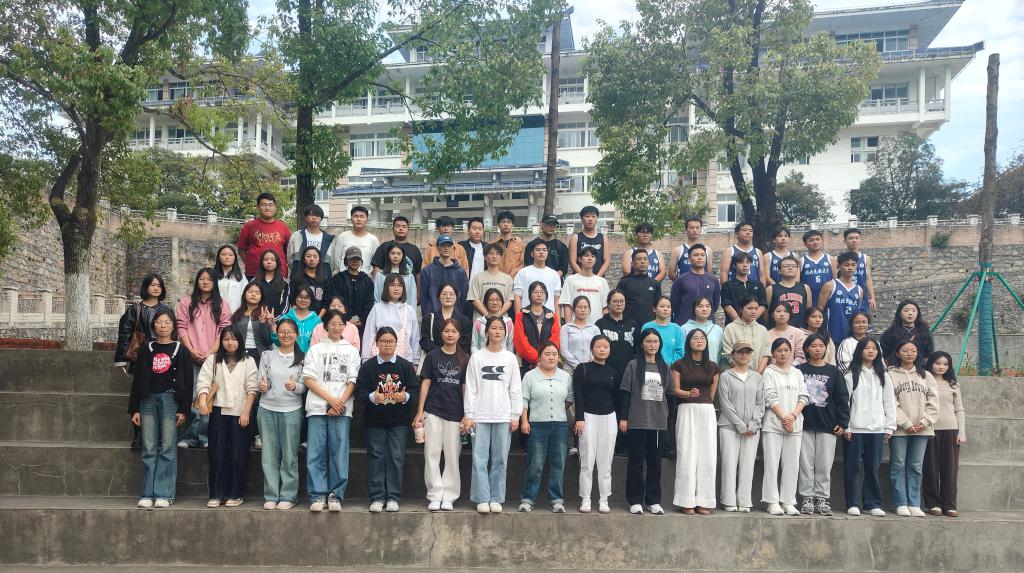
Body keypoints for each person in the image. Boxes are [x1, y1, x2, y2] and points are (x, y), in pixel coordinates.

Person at [129, 308, 192, 509]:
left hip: (170, 400)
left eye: (167, 322)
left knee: (167, 446)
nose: (163, 325)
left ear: (173, 326)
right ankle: (148, 493)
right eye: (159, 322)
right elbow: (137, 380)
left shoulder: (181, 350)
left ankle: (165, 493)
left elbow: (188, 381)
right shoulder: (146, 349)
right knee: (148, 447)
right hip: (147, 400)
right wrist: (134, 408)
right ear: (153, 325)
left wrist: (184, 409)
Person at [301, 309, 361, 512]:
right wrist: (331, 400)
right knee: (315, 452)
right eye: (332, 323)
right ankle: (317, 494)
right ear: (325, 326)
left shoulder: (351, 351)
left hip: (342, 408)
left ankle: (335, 494)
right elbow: (308, 379)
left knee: (339, 452)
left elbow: (353, 381)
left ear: (345, 326)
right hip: (317, 408)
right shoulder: (315, 350)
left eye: (340, 324)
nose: (336, 327)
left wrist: (339, 403)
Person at [356, 326, 419, 512]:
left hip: (399, 421)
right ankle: (377, 497)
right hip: (374, 421)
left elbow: (415, 391)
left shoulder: (405, 366)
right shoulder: (368, 367)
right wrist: (372, 397)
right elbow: (359, 393)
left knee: (396, 457)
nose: (387, 345)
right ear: (376, 343)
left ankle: (392, 497)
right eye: (383, 341)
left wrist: (405, 397)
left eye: (391, 341)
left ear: (397, 343)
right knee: (376, 457)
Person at [464, 316, 523, 514]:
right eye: (494, 328)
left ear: (505, 333)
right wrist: (469, 414)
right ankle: (482, 497)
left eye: (501, 329)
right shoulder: (477, 357)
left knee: (500, 459)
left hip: (503, 415)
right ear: (486, 331)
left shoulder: (510, 358)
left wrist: (515, 415)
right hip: (480, 415)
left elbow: (515, 389)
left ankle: (496, 498)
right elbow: (470, 387)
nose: (497, 331)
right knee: (479, 458)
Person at [195, 325, 259, 507]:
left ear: (240, 341)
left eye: (234, 339)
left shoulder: (248, 361)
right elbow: (203, 382)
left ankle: (236, 494)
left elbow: (252, 388)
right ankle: (216, 494)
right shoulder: (213, 360)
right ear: (221, 341)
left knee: (238, 454)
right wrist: (202, 401)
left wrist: (246, 412)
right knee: (217, 453)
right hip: (218, 411)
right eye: (226, 339)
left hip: (240, 412)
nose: (230, 343)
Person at [413, 319, 469, 511]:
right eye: (446, 331)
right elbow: (426, 383)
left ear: (459, 334)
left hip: (455, 412)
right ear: (441, 333)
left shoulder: (465, 358)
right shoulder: (432, 356)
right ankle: (435, 494)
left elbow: (465, 388)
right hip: (433, 410)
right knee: (432, 452)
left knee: (452, 455)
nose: (450, 334)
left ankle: (450, 496)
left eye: (454, 331)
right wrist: (420, 412)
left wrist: (466, 414)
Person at [176, 268, 233, 449]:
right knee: (194, 395)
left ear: (215, 283)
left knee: (210, 396)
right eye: (202, 278)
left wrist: (210, 353)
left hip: (213, 357)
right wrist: (191, 350)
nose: (205, 282)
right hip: (190, 356)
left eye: (209, 279)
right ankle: (190, 437)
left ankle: (206, 437)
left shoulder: (222, 305)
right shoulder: (186, 302)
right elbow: (181, 327)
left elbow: (224, 330)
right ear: (197, 281)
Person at [618, 328, 672, 515]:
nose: (652, 345)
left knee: (655, 463)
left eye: (655, 342)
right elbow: (625, 393)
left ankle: (653, 500)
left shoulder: (664, 366)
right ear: (641, 344)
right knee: (636, 463)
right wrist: (624, 418)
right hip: (637, 422)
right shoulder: (633, 365)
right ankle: (635, 500)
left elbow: (670, 394)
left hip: (658, 423)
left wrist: (666, 417)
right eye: (648, 341)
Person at [796, 333, 849, 516]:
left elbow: (842, 399)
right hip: (804, 424)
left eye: (821, 346)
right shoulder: (799, 370)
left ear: (826, 348)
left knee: (824, 465)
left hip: (828, 425)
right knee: (805, 464)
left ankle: (822, 498)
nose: (818, 349)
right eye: (813, 346)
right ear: (806, 349)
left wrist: (843, 422)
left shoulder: (834, 372)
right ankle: (807, 498)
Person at [843, 337, 896, 517]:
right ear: (860, 351)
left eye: (874, 348)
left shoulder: (883, 375)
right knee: (852, 468)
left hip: (877, 428)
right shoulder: (851, 374)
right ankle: (852, 503)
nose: (871, 351)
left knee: (873, 468)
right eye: (867, 348)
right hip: (855, 429)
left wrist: (889, 426)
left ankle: (872, 503)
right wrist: (846, 426)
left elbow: (889, 402)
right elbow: (845, 403)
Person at [256, 318, 306, 510]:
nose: (286, 335)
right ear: (277, 334)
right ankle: (271, 495)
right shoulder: (267, 356)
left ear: (296, 335)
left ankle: (288, 495)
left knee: (289, 455)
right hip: (267, 408)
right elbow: (261, 381)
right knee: (268, 454)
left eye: (290, 332)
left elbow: (304, 386)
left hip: (291, 410)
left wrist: (295, 387)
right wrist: (262, 386)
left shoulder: (302, 358)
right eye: (282, 331)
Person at [518, 342, 574, 513]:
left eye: (554, 354)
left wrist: (557, 410)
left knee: (558, 463)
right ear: (540, 357)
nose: (551, 357)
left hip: (560, 425)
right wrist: (524, 421)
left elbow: (569, 398)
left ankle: (556, 500)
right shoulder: (530, 376)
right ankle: (528, 499)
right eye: (547, 354)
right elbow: (524, 400)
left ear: (559, 357)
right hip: (536, 425)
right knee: (535, 463)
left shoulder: (565, 377)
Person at [670, 329, 721, 514]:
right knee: (687, 454)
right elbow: (674, 390)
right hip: (686, 410)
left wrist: (702, 401)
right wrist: (688, 394)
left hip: (707, 411)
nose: (699, 341)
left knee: (708, 456)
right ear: (688, 342)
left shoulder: (713, 367)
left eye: (702, 338)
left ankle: (704, 500)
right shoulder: (679, 364)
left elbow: (712, 394)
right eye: (695, 338)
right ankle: (686, 501)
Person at [888, 339, 939, 518]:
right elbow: (890, 402)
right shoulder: (890, 374)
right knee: (898, 465)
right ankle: (900, 503)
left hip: (922, 429)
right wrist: (905, 423)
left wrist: (925, 422)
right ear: (897, 353)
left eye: (913, 351)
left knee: (916, 466)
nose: (910, 354)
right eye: (905, 350)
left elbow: (934, 402)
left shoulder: (926, 375)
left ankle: (914, 503)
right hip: (900, 429)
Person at [760, 338, 809, 516]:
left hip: (795, 424)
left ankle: (788, 501)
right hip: (773, 424)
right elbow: (769, 396)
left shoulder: (797, 373)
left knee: (792, 465)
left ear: (791, 352)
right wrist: (784, 417)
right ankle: (772, 501)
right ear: (773, 353)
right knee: (772, 464)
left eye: (786, 350)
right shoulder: (769, 372)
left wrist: (793, 416)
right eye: (779, 350)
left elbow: (804, 396)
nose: (783, 353)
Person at [716, 342, 764, 513]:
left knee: (747, 465)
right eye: (740, 352)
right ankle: (728, 500)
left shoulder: (757, 377)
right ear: (733, 355)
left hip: (752, 429)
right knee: (729, 464)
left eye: (747, 352)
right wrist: (740, 424)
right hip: (729, 426)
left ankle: (744, 501)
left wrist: (753, 423)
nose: (744, 355)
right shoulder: (725, 376)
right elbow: (724, 403)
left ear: (751, 355)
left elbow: (761, 403)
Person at [573, 336, 618, 514]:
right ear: (592, 349)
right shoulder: (582, 368)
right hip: (588, 417)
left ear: (609, 350)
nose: (602, 349)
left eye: (605, 346)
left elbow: (616, 397)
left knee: (605, 462)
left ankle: (604, 498)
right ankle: (586, 498)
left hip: (609, 417)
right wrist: (579, 418)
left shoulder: (613, 371)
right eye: (598, 346)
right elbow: (578, 394)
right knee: (587, 460)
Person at [922, 351, 966, 517]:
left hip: (951, 430)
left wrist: (961, 432)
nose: (941, 367)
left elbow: (959, 409)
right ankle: (933, 503)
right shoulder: (924, 381)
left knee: (950, 470)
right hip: (929, 429)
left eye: (945, 364)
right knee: (930, 468)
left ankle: (950, 504)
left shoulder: (953, 385)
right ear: (931, 364)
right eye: (938, 363)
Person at [115, 273, 176, 375]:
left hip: (163, 356)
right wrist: (121, 359)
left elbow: (173, 334)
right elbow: (125, 335)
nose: (156, 288)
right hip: (140, 357)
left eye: (159, 285)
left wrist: (174, 356)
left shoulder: (167, 310)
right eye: (152, 285)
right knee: (141, 383)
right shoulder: (134, 310)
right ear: (145, 286)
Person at [362, 274, 420, 366]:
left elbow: (415, 338)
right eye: (392, 285)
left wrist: (416, 361)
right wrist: (365, 360)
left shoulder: (409, 310)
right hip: (379, 360)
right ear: (386, 287)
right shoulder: (377, 308)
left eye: (400, 285)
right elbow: (368, 336)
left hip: (404, 360)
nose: (396, 289)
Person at [238, 192, 291, 280]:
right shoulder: (249, 226)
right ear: (258, 207)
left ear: (275, 207)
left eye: (270, 205)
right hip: (254, 273)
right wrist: (250, 263)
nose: (267, 208)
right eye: (264, 205)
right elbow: (241, 250)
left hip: (279, 273)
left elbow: (288, 251)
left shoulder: (283, 227)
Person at [818, 252, 867, 346]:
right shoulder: (830, 285)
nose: (850, 268)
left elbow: (857, 314)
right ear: (839, 266)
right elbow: (820, 310)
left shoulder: (859, 290)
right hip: (832, 335)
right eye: (846, 265)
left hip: (851, 337)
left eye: (853, 265)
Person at [326, 247, 374, 337]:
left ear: (361, 261)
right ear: (346, 260)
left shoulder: (366, 280)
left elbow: (369, 302)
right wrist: (347, 318)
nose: (354, 261)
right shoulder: (337, 279)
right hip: (340, 323)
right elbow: (335, 301)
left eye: (357, 259)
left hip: (361, 325)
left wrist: (361, 319)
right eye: (352, 259)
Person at [512, 281, 560, 372]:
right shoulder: (521, 315)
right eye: (535, 292)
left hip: (548, 363)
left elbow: (555, 339)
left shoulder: (552, 316)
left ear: (546, 295)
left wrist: (545, 357)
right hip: (526, 364)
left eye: (542, 292)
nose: (539, 295)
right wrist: (538, 359)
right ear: (530, 294)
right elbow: (520, 341)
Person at [670, 243, 720, 326]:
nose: (700, 258)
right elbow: (675, 304)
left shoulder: (713, 280)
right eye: (696, 255)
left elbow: (715, 304)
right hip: (685, 323)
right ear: (689, 259)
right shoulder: (680, 280)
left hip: (707, 324)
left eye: (702, 255)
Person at [420, 234, 469, 316]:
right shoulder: (427, 271)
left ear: (453, 248)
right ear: (437, 248)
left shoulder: (460, 272)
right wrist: (426, 317)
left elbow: (463, 297)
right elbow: (424, 297)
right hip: (433, 316)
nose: (446, 248)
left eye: (449, 245)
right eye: (443, 245)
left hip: (454, 317)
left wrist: (459, 314)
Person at [420, 282, 472, 355]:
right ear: (438, 297)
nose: (448, 297)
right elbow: (425, 341)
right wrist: (441, 353)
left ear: (456, 297)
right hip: (434, 358)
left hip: (457, 359)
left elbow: (465, 344)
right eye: (444, 294)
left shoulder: (465, 321)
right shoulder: (429, 319)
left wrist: (449, 352)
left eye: (451, 294)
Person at [560, 246, 609, 325]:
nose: (590, 258)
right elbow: (567, 305)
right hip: (575, 326)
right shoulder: (570, 280)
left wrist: (604, 326)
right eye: (586, 255)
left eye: (593, 256)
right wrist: (568, 326)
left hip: (597, 326)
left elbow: (605, 307)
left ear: (595, 260)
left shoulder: (602, 282)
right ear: (579, 259)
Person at [721, 297, 771, 373]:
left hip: (758, 375)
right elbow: (727, 355)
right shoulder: (730, 328)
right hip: (735, 375)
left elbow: (766, 354)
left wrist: (758, 373)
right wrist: (744, 373)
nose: (753, 311)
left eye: (756, 309)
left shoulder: (763, 330)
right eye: (750, 308)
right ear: (741, 309)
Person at [595, 290, 639, 377]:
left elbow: (637, 350)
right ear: (608, 303)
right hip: (606, 372)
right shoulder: (600, 324)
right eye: (615, 301)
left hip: (628, 373)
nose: (619, 304)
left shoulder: (632, 325)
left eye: (621, 301)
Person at [880, 300, 934, 367]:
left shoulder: (924, 333)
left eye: (914, 311)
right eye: (906, 310)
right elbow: (884, 355)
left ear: (918, 313)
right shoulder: (889, 333)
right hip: (896, 369)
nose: (910, 313)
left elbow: (928, 355)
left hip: (919, 369)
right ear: (899, 313)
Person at [467, 243, 514, 321]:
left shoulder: (508, 279)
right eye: (491, 253)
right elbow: (474, 299)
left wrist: (498, 315)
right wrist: (487, 315)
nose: (494, 256)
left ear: (501, 257)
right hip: (481, 321)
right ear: (485, 257)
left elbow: (509, 300)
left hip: (501, 322)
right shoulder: (478, 277)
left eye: (497, 254)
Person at [328, 205, 379, 275]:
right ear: (351, 219)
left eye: (362, 217)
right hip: (345, 277)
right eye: (356, 216)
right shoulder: (342, 237)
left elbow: (376, 263)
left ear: (367, 220)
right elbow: (337, 259)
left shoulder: (373, 240)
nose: (359, 219)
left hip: (365, 278)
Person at [232, 281, 275, 364]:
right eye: (250, 292)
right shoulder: (237, 315)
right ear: (244, 295)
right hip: (240, 353)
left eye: (257, 293)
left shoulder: (266, 315)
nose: (253, 294)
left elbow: (268, 341)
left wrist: (263, 323)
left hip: (260, 354)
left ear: (261, 297)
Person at [287, 204, 335, 278]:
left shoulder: (328, 238)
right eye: (311, 215)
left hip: (323, 277)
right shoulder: (296, 236)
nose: (314, 218)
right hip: (299, 277)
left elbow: (332, 262)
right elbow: (290, 258)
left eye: (317, 216)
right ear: (305, 218)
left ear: (321, 219)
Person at [371, 216, 423, 281]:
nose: (401, 228)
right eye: (398, 226)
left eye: (404, 227)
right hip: (386, 286)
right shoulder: (384, 247)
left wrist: (418, 287)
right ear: (392, 229)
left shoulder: (415, 250)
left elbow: (418, 273)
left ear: (408, 229)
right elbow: (376, 269)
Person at [513, 241, 561, 313]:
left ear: (547, 253)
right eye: (538, 250)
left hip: (549, 316)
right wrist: (518, 318)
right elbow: (517, 296)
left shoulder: (554, 274)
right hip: (527, 316)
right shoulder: (523, 273)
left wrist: (557, 319)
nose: (541, 252)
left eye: (544, 250)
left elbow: (556, 299)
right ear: (532, 254)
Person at [766, 255, 811, 329]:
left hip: (800, 330)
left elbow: (808, 312)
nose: (790, 268)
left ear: (797, 269)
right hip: (778, 330)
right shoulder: (771, 289)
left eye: (793, 266)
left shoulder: (805, 288)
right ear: (779, 270)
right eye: (786, 266)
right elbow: (766, 314)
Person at [616, 250, 660, 326]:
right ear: (632, 263)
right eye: (639, 259)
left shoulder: (655, 284)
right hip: (628, 325)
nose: (642, 261)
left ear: (649, 262)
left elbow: (658, 306)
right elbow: (617, 303)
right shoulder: (624, 282)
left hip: (649, 326)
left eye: (645, 259)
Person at [720, 252, 767, 323]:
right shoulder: (727, 286)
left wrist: (752, 321)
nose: (745, 265)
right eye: (741, 262)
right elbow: (727, 306)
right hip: (735, 325)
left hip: (756, 325)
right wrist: (740, 323)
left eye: (747, 262)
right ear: (734, 265)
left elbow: (763, 304)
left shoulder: (758, 285)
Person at [273, 286, 322, 353]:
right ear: (295, 298)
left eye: (307, 298)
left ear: (311, 300)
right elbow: (278, 343)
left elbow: (320, 344)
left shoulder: (317, 321)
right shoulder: (285, 318)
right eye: (300, 297)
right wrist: (272, 326)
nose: (303, 300)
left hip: (310, 358)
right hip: (289, 357)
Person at [560, 296, 601, 374]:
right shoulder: (566, 328)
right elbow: (563, 350)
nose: (583, 310)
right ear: (573, 309)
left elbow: (598, 347)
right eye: (579, 307)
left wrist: (592, 360)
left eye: (585, 307)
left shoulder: (594, 329)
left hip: (590, 369)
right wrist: (578, 366)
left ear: (589, 309)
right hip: (570, 370)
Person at [569, 205, 611, 277]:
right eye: (587, 216)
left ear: (597, 219)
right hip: (579, 278)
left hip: (598, 279)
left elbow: (607, 261)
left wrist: (596, 278)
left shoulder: (604, 238)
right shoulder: (575, 238)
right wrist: (583, 276)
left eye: (593, 216)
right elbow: (572, 261)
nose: (590, 219)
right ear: (582, 219)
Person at [680, 296, 724, 364]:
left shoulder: (717, 329)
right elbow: (681, 352)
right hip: (689, 368)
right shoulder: (684, 328)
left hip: (712, 368)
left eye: (708, 306)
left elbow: (720, 354)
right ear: (694, 309)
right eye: (700, 306)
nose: (704, 309)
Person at [525, 214, 570, 279]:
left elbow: (563, 268)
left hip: (555, 281)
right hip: (535, 281)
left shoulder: (561, 246)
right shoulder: (531, 245)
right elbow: (529, 264)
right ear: (541, 225)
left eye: (554, 224)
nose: (552, 226)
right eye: (549, 223)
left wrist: (553, 278)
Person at [289, 246, 329, 316]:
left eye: (315, 256)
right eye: (308, 256)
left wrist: (317, 319)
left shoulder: (325, 279)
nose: (312, 259)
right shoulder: (297, 278)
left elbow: (326, 303)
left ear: (319, 260)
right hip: (299, 316)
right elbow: (292, 300)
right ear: (304, 259)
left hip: (318, 317)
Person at [843, 228, 877, 311]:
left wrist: (872, 297)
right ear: (845, 241)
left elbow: (868, 278)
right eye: (851, 238)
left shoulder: (866, 258)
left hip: (862, 296)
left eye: (857, 238)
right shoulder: (838, 259)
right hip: (844, 296)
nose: (854, 241)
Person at [800, 230, 836, 306]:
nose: (815, 242)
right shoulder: (801, 261)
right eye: (811, 240)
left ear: (822, 241)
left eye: (818, 239)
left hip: (828, 300)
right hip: (809, 300)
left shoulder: (831, 259)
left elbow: (834, 280)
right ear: (805, 244)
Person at [472, 288, 514, 353]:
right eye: (491, 300)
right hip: (483, 358)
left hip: (503, 358)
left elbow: (510, 345)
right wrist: (477, 358)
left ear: (502, 302)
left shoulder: (508, 323)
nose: (495, 302)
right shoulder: (479, 322)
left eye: (498, 300)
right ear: (485, 303)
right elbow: (474, 345)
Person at [254, 250, 290, 317]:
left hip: (277, 319)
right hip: (256, 319)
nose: (269, 262)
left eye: (273, 260)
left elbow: (285, 306)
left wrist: (275, 319)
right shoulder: (254, 281)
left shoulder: (284, 283)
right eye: (266, 259)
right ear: (261, 262)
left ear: (277, 262)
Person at [214, 244, 246, 312]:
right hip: (216, 313)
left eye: (230, 255)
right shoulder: (213, 276)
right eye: (223, 254)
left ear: (234, 258)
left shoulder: (241, 277)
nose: (227, 257)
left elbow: (246, 297)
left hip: (236, 314)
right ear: (218, 257)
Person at [494, 210, 525, 276]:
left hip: (515, 279)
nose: (506, 224)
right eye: (503, 222)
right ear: (498, 225)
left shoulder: (520, 244)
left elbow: (521, 263)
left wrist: (510, 278)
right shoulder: (492, 244)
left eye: (509, 222)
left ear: (512, 225)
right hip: (496, 279)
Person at [460, 217, 488, 285]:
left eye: (480, 229)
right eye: (474, 229)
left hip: (483, 286)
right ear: (468, 230)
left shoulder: (487, 247)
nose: (477, 232)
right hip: (466, 286)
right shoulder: (461, 246)